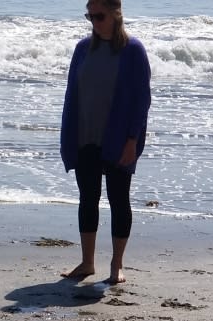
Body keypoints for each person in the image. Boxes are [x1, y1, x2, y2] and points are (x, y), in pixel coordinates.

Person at [59, 0, 151, 284]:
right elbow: (71, 95)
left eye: (99, 16)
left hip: (118, 139)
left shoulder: (132, 51)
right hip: (85, 135)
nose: (93, 22)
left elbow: (141, 100)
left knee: (118, 199)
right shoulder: (83, 49)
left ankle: (117, 265)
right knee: (87, 199)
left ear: (116, 15)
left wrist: (132, 140)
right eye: (90, 16)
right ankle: (87, 263)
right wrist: (68, 136)